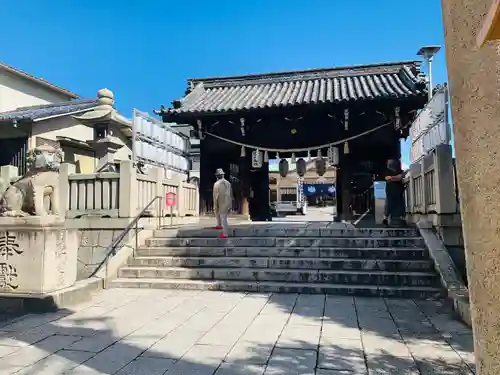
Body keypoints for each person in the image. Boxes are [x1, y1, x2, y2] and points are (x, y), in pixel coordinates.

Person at [383, 159, 407, 226]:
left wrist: (392, 178)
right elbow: (388, 178)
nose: (390, 164)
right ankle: (385, 219)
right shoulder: (386, 171)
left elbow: (401, 176)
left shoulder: (399, 171)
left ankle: (403, 219)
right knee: (389, 205)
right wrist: (396, 177)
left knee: (400, 205)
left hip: (398, 190)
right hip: (390, 190)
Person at [212, 168, 232, 238]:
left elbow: (215, 195)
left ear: (217, 176)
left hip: (220, 202)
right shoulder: (228, 183)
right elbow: (230, 194)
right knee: (223, 217)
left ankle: (225, 233)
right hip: (227, 201)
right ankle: (219, 225)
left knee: (223, 218)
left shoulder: (216, 184)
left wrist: (215, 204)